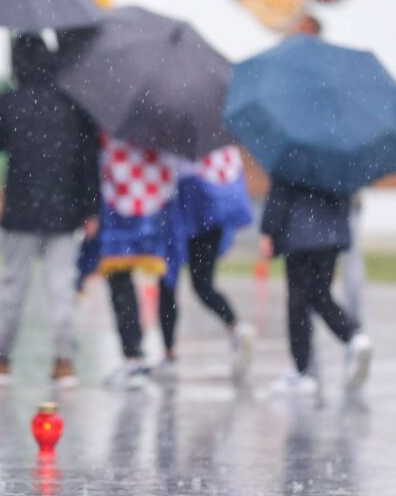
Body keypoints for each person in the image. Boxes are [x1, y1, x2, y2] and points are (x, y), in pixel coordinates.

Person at [0, 34, 100, 387]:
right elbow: (88, 160)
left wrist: (0, 105)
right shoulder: (72, 104)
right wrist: (91, 208)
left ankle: (1, 358)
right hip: (66, 211)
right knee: (61, 287)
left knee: (14, 285)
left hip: (20, 209)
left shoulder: (8, 101)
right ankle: (65, 362)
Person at [78, 136, 178, 390]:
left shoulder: (107, 120)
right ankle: (157, 353)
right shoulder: (164, 119)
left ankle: (135, 356)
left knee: (121, 282)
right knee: (160, 280)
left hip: (118, 208)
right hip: (156, 206)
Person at [260, 179, 371, 395]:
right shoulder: (335, 153)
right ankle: (355, 337)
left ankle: (302, 371)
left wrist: (268, 229)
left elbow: (281, 190)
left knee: (297, 304)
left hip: (300, 232)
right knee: (320, 296)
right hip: (330, 234)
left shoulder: (292, 151)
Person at [157, 146, 255, 380]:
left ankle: (169, 354)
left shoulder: (171, 137)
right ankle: (236, 326)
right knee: (203, 285)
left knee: (167, 284)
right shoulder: (218, 137)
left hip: (181, 209)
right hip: (214, 212)